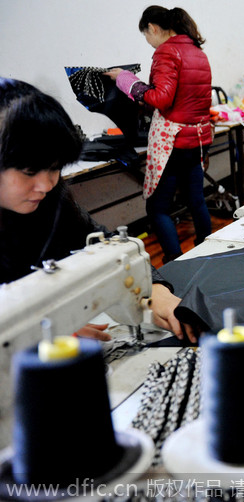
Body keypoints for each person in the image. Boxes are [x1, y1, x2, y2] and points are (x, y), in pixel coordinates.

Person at [0, 78, 196, 342]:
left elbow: (105, 244)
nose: (46, 184)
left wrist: (154, 288)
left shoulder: (53, 202)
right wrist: (36, 332)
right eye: (30, 172)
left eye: (55, 168)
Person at [106, 6, 213, 265]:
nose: (149, 42)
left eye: (146, 36)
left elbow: (161, 99)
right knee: (196, 200)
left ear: (153, 28)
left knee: (157, 208)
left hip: (172, 142)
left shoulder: (166, 51)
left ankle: (175, 263)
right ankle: (208, 253)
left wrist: (126, 79)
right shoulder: (197, 52)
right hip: (197, 139)